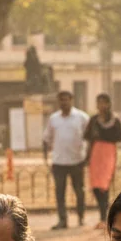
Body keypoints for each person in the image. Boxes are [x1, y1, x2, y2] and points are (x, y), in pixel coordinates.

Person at [44, 89, 89, 229]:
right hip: (59, 162)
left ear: (71, 100)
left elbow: (90, 138)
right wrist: (45, 157)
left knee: (79, 191)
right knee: (60, 193)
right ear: (59, 102)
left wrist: (88, 156)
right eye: (61, 99)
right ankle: (62, 220)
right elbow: (46, 138)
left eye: (66, 99)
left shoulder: (82, 117)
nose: (64, 102)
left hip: (77, 160)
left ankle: (81, 217)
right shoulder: (53, 119)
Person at [84, 93, 121, 227]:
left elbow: (120, 136)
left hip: (108, 152)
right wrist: (87, 156)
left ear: (108, 104)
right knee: (95, 185)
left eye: (103, 102)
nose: (101, 105)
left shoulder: (115, 120)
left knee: (104, 184)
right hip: (96, 153)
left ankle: (104, 217)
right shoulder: (94, 120)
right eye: (98, 102)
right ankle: (103, 215)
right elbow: (88, 137)